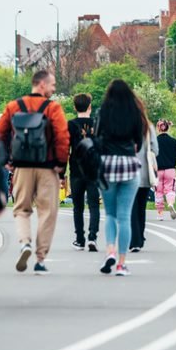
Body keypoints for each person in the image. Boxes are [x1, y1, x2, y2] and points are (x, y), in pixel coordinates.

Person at [0, 70, 69, 274]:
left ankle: (25, 243)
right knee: (47, 212)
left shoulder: (13, 106)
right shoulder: (53, 108)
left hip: (21, 166)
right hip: (47, 167)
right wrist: (61, 164)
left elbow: (0, 134)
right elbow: (62, 137)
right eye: (52, 84)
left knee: (21, 209)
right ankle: (40, 259)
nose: (54, 88)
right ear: (41, 85)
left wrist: (7, 161)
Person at [95, 80, 149, 276]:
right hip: (128, 163)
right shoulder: (134, 112)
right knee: (124, 215)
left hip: (107, 163)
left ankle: (110, 250)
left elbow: (97, 136)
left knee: (110, 213)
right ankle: (121, 263)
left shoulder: (103, 111)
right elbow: (139, 141)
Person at [67, 93, 101, 251]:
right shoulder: (97, 123)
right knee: (94, 205)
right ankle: (92, 236)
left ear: (74, 107)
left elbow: (65, 147)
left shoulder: (71, 124)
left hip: (76, 169)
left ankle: (79, 238)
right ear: (90, 106)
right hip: (93, 168)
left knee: (78, 206)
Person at [128, 117, 158, 251]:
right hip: (145, 173)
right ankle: (140, 237)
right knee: (141, 207)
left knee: (131, 207)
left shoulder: (125, 126)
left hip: (128, 172)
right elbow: (155, 150)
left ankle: (134, 240)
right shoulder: (148, 127)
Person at [154, 120, 176, 221]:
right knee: (170, 190)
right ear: (168, 128)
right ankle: (170, 204)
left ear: (158, 128)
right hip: (170, 170)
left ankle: (160, 214)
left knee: (158, 192)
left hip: (157, 170)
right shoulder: (174, 141)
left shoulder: (154, 141)